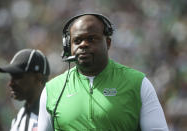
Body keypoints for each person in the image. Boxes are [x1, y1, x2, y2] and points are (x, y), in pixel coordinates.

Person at [38, 13, 169, 131]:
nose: (83, 45)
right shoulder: (52, 90)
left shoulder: (138, 84)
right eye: (77, 41)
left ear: (108, 43)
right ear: (68, 47)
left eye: (91, 39)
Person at [0, 49, 50, 131]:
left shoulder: (56, 114)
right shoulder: (19, 118)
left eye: (17, 76)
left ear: (38, 78)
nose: (10, 83)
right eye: (11, 77)